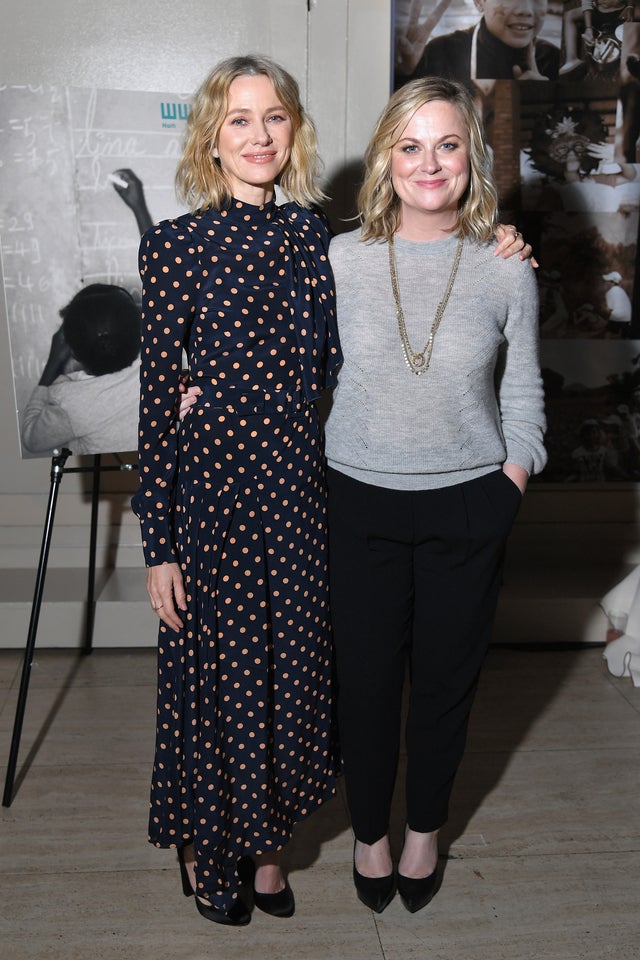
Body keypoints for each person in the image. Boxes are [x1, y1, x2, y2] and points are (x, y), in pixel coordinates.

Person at [324, 77, 546, 914]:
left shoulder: (504, 269)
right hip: (356, 503)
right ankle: (371, 834)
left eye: (447, 144)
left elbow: (523, 396)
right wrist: (204, 390)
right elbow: (281, 360)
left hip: (468, 507)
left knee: (447, 687)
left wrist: (508, 485)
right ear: (386, 156)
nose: (429, 162)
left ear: (472, 158)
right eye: (410, 145)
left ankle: (425, 831)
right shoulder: (340, 258)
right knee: (367, 684)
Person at [130, 55, 343, 927]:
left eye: (276, 118)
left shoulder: (314, 237)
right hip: (211, 486)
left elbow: (335, 354)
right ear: (212, 139)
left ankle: (266, 845)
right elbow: (154, 400)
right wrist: (159, 546)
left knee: (288, 674)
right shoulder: (175, 245)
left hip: (295, 486)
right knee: (215, 673)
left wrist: (505, 241)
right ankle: (202, 844)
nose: (260, 136)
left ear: (294, 131)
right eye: (240, 120)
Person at [21, 283, 141, 456]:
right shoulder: (154, 372)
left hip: (102, 480)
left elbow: (31, 439)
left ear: (74, 352)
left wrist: (53, 363)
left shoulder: (69, 402)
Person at [400, 0, 560, 91]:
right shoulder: (441, 53)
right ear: (479, 2)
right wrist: (405, 74)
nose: (525, 11)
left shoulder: (554, 59)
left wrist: (544, 98)